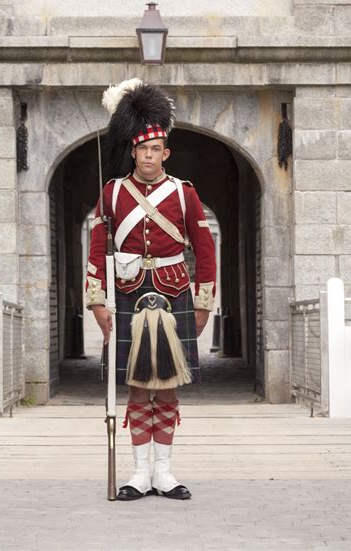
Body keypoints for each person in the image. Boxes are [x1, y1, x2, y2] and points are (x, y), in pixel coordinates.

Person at [85, 79, 216, 501]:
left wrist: (203, 305)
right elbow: (96, 250)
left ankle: (164, 471)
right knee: (138, 386)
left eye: (155, 149)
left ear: (165, 152)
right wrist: (97, 302)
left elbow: (205, 250)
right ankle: (140, 473)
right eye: (142, 149)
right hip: (127, 297)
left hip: (173, 293)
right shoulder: (112, 193)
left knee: (169, 386)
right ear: (134, 151)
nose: (148, 156)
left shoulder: (183, 194)